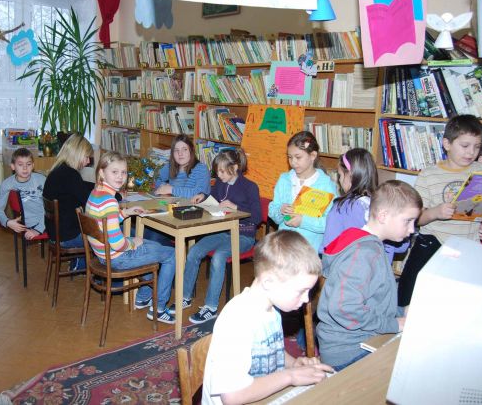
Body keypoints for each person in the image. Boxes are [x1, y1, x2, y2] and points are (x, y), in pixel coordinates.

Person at [201, 230, 333, 405]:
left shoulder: (271, 308)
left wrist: (293, 365)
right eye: (301, 291)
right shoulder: (238, 320)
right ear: (269, 283)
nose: (306, 299)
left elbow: (270, 349)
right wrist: (290, 376)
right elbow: (232, 396)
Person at [397, 115, 482, 307]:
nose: (471, 152)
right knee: (410, 294)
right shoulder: (429, 175)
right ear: (447, 144)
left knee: (454, 301)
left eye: (477, 146)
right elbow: (416, 218)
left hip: (467, 246)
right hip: (432, 242)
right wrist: (436, 212)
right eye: (465, 146)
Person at [317, 180, 422, 371]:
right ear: (383, 216)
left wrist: (399, 312)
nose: (412, 229)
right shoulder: (363, 254)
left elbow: (371, 299)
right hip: (349, 350)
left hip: (359, 338)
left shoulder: (362, 241)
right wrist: (393, 324)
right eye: (408, 221)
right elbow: (343, 308)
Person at [85, 151, 177, 324]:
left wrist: (125, 213)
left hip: (103, 255)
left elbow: (104, 222)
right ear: (102, 173)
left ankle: (143, 297)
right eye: (115, 172)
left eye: (124, 172)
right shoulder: (109, 201)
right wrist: (132, 243)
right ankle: (158, 308)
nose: (120, 177)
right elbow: (117, 243)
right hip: (117, 257)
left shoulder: (96, 193)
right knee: (172, 254)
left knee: (153, 246)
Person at [176, 148, 261, 324]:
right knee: (194, 251)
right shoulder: (221, 184)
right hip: (222, 232)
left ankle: (211, 307)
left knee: (219, 256)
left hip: (244, 236)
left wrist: (236, 208)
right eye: (218, 171)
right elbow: (213, 199)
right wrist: (203, 196)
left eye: (222, 171)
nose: (219, 175)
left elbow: (257, 217)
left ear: (235, 168)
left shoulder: (250, 187)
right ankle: (185, 297)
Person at [321, 148, 409, 264]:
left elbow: (329, 248)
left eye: (340, 175)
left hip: (349, 271)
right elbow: (401, 245)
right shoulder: (383, 204)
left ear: (350, 175)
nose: (340, 180)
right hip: (379, 270)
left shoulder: (341, 208)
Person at [268, 131, 337, 253]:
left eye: (298, 157)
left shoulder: (326, 185)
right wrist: (280, 210)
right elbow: (273, 212)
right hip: (284, 246)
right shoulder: (284, 179)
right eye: (290, 157)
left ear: (313, 155)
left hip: (309, 249)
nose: (293, 162)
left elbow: (331, 223)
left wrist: (303, 221)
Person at [43, 134, 94, 270]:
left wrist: (100, 187)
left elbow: (82, 186)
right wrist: (114, 196)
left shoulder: (59, 171)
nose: (88, 161)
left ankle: (79, 263)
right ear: (77, 154)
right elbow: (91, 202)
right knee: (109, 235)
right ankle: (100, 274)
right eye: (86, 157)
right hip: (68, 237)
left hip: (55, 234)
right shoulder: (71, 175)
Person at [149, 134, 211, 245]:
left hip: (192, 219)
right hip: (171, 214)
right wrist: (163, 186)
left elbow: (197, 193)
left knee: (153, 236)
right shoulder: (171, 166)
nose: (180, 154)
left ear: (191, 151)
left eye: (184, 149)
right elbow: (156, 177)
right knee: (147, 230)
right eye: (176, 150)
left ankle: (173, 253)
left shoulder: (201, 169)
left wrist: (171, 189)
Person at [0, 148, 45, 239]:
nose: (25, 168)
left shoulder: (42, 180)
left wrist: (38, 229)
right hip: (26, 224)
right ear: (13, 166)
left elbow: (51, 209)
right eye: (20, 164)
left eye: (28, 164)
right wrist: (7, 222)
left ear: (33, 165)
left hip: (46, 221)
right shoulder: (7, 184)